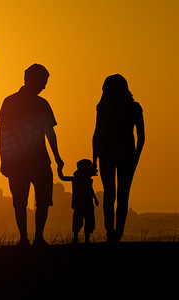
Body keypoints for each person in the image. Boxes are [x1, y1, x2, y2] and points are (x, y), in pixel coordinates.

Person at [0, 63, 64, 247]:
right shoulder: (18, 103)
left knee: (31, 201)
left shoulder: (15, 102)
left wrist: (58, 158)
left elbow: (49, 133)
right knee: (25, 201)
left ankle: (32, 239)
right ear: (33, 80)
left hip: (33, 161)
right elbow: (4, 134)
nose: (44, 86)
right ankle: (30, 239)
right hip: (28, 162)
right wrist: (57, 158)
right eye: (43, 82)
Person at [92, 74, 145, 243]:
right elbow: (141, 138)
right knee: (122, 195)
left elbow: (96, 135)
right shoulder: (134, 107)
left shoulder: (104, 108)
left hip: (107, 155)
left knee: (110, 194)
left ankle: (111, 233)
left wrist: (94, 159)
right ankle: (116, 234)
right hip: (125, 155)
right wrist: (136, 156)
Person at [58, 159, 99, 244]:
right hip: (83, 203)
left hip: (82, 203)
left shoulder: (79, 179)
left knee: (83, 221)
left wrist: (59, 169)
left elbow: (62, 177)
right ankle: (81, 238)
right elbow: (90, 190)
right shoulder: (82, 179)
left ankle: (78, 238)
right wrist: (95, 198)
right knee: (83, 221)